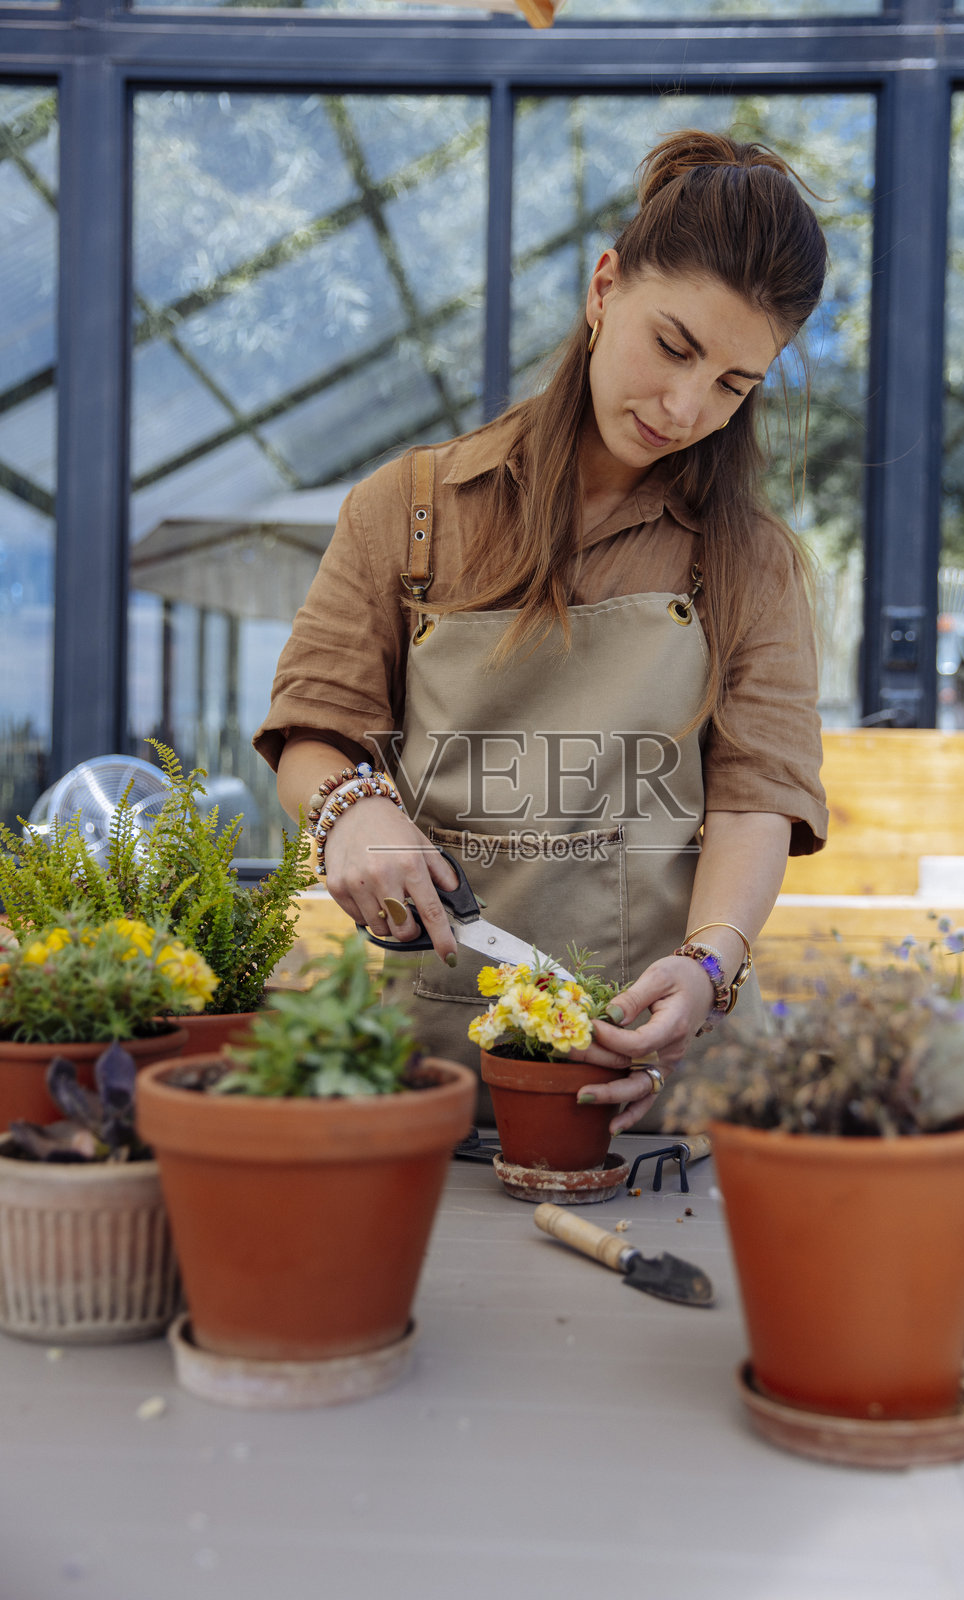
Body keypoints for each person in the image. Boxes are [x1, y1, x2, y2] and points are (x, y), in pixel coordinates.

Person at [254, 128, 829, 1134]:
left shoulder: (750, 562)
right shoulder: (412, 508)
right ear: (604, 286)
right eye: (673, 346)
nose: (686, 406)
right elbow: (313, 737)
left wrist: (705, 967)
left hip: (634, 1089)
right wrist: (353, 811)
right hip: (417, 1084)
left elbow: (754, 804)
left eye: (735, 384)